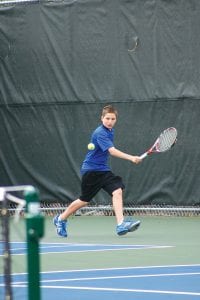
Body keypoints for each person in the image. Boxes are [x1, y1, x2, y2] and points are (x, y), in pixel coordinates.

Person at [53, 105, 142, 237]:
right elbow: (111, 151)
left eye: (113, 119)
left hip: (103, 170)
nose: (110, 121)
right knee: (84, 200)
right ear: (102, 118)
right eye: (107, 118)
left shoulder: (110, 131)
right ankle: (61, 219)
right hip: (91, 171)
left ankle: (120, 224)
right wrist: (131, 158)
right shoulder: (100, 132)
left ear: (116, 120)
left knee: (117, 191)